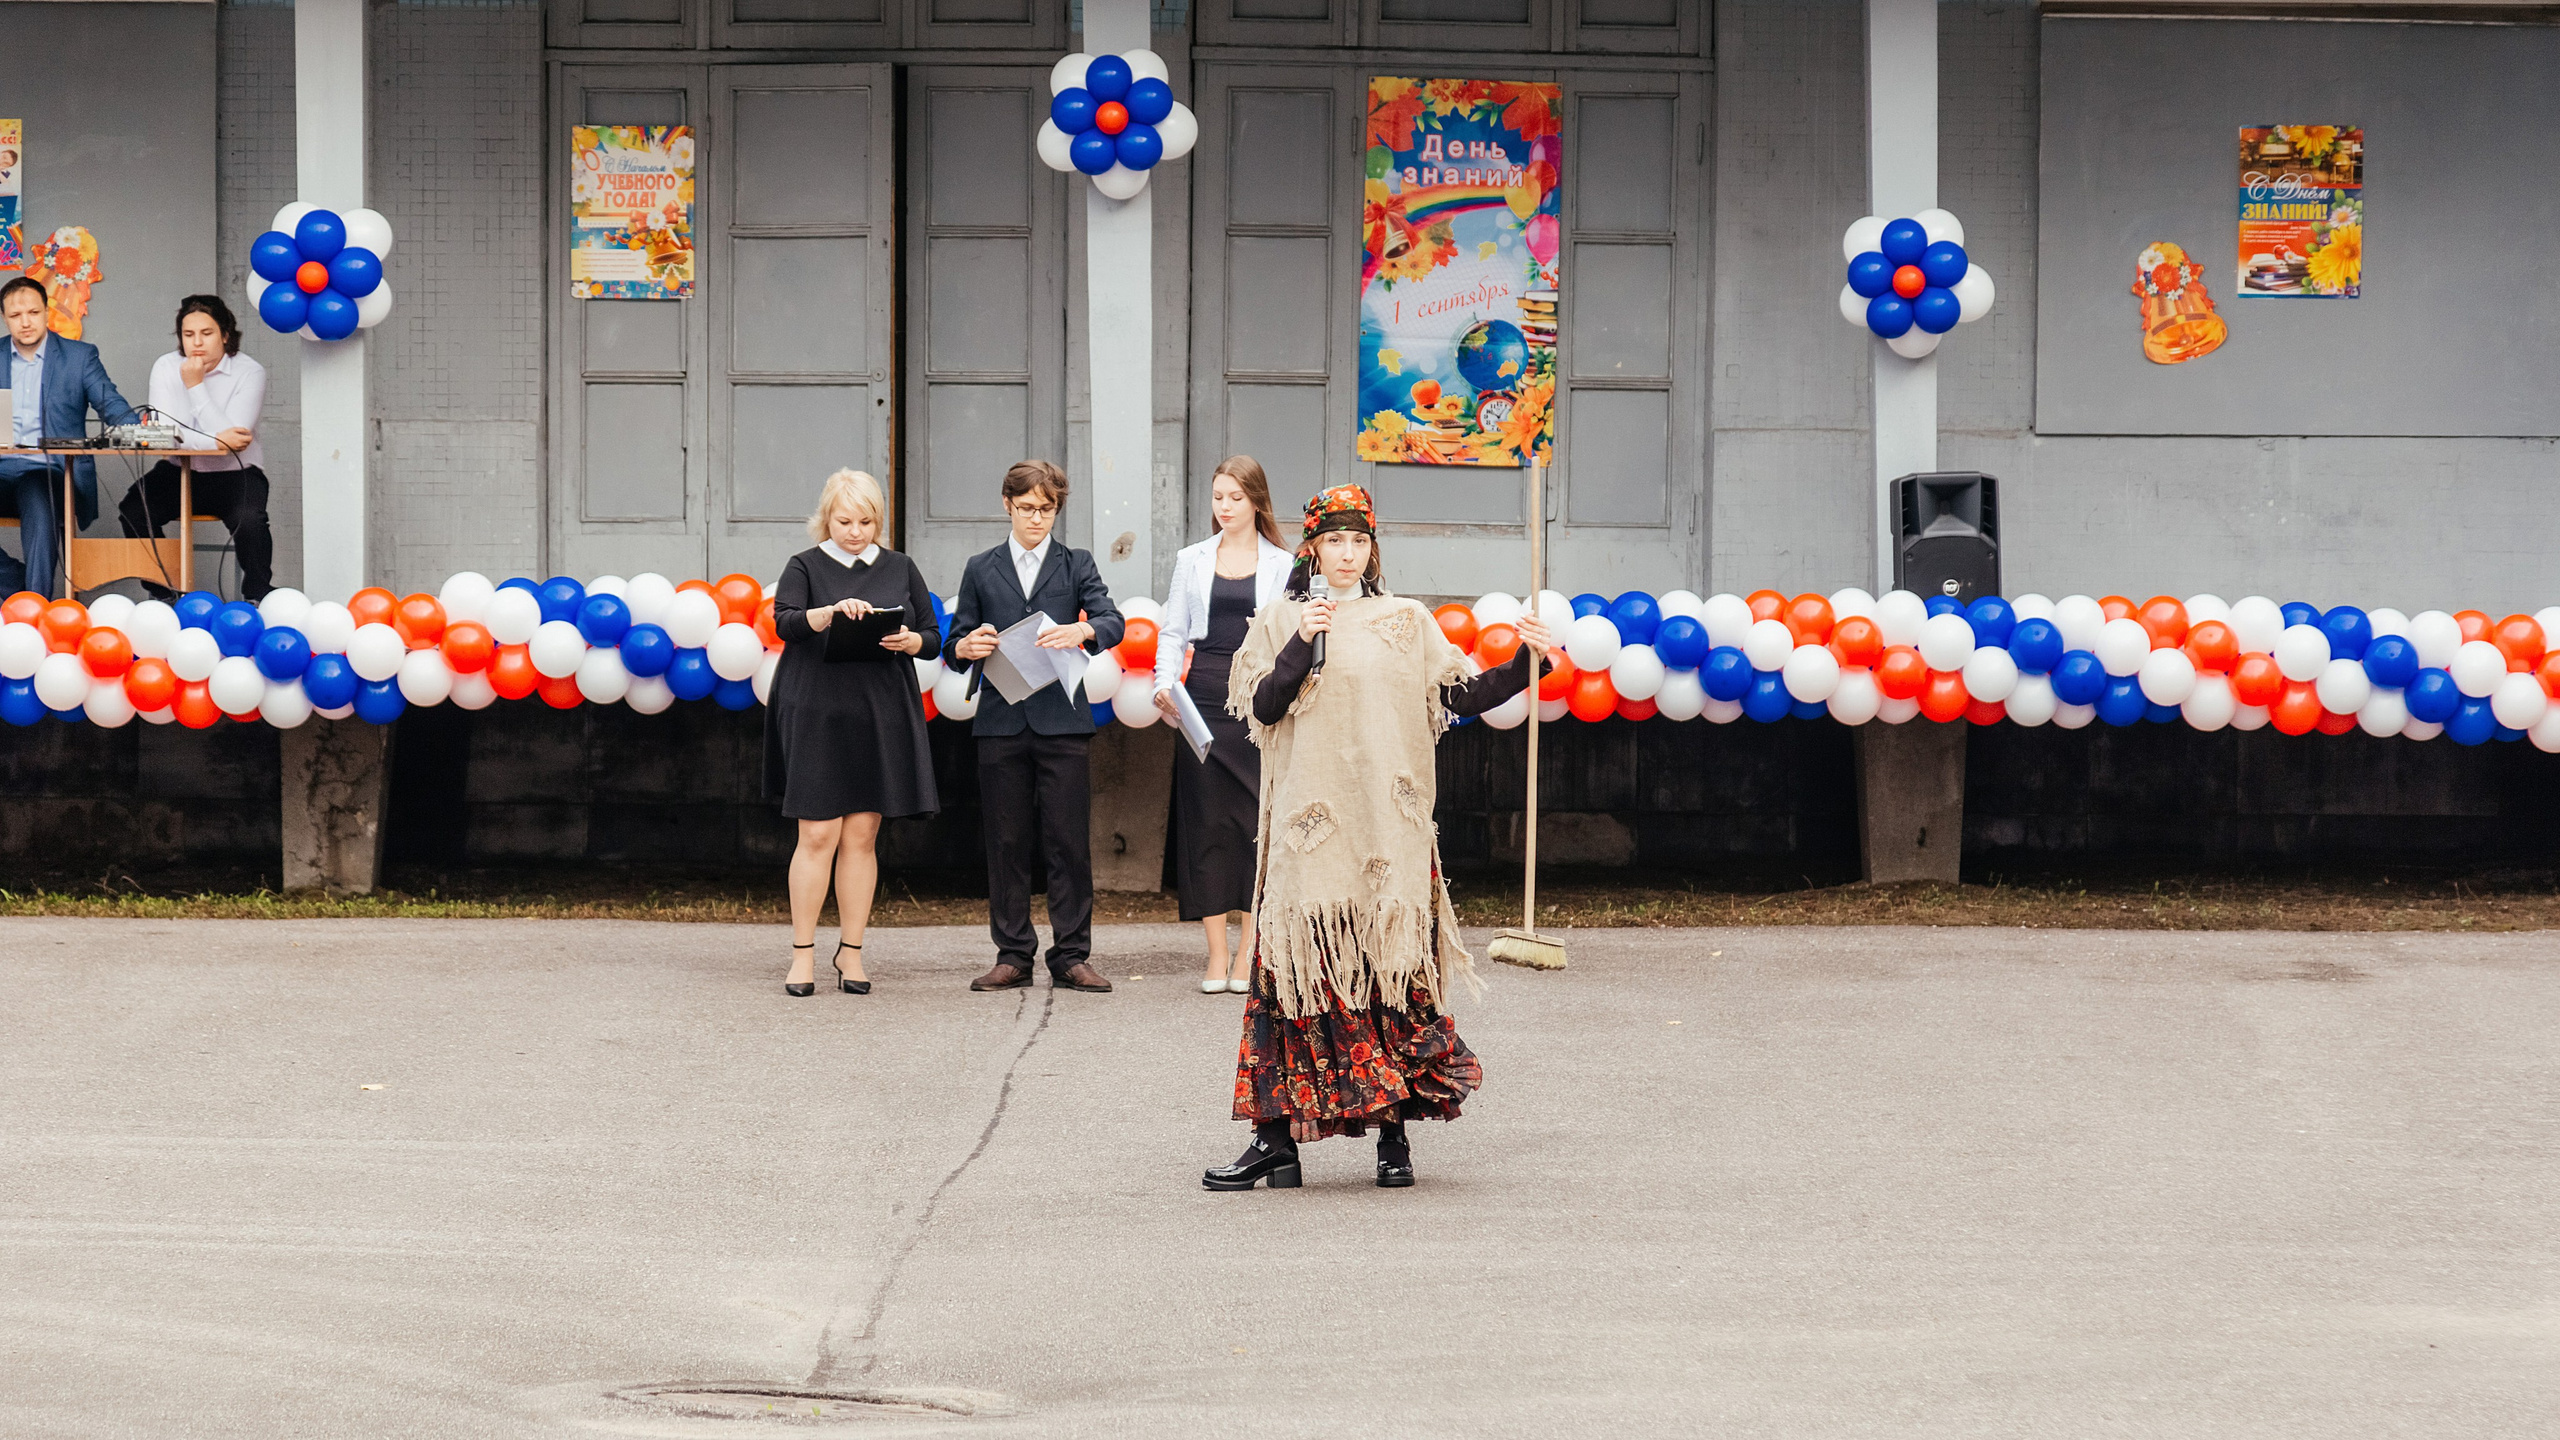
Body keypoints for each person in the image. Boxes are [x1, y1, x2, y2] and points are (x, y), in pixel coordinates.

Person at [1203, 483, 1552, 1192]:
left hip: (1388, 834)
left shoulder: (1406, 619)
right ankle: (1276, 1141)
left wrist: (1527, 665)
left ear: (1371, 548)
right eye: (1334, 540)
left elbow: (1455, 697)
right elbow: (1263, 707)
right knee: (1293, 981)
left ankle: (1393, 1142)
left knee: (1389, 976)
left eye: (1358, 541)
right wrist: (1305, 640)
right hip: (1309, 838)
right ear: (1312, 548)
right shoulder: (1279, 619)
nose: (1347, 553)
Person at [947, 460, 1125, 996]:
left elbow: (1112, 621)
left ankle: (1071, 955)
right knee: (1006, 841)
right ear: (1007, 505)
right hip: (1000, 721)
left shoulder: (1076, 564)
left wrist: (1083, 628)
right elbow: (954, 645)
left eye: (1046, 509)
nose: (1036, 518)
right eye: (1026, 508)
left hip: (1061, 723)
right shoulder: (981, 567)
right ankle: (1012, 954)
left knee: (1068, 842)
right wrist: (966, 646)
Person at [764, 469, 940, 997]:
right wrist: (827, 614)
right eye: (844, 520)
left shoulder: (901, 567)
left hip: (879, 710)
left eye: (866, 521)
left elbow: (933, 637)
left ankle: (852, 952)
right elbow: (785, 622)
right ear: (827, 518)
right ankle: (802, 955)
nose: (856, 531)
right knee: (817, 834)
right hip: (816, 708)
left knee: (862, 835)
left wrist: (911, 641)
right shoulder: (805, 565)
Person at [1151, 456, 1294, 994]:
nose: (1225, 507)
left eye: (1235, 497)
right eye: (1218, 497)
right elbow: (1172, 631)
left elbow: (1293, 637)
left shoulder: (1284, 563)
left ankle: (1248, 956)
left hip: (1259, 696)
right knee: (1205, 822)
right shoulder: (1192, 558)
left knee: (1256, 827)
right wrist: (1164, 684)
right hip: (1204, 692)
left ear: (1256, 500)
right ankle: (1215, 954)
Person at [120, 295, 273, 601]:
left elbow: (235, 442)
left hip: (236, 472)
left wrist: (195, 386)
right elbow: (166, 434)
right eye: (188, 335)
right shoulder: (165, 366)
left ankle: (258, 595)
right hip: (179, 470)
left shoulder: (249, 371)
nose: (197, 343)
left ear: (225, 335)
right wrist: (215, 441)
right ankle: (163, 593)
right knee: (133, 510)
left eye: (207, 333)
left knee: (251, 520)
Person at [1, 274, 137, 597]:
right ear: (5, 319)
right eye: (15, 316)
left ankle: (37, 608)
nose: (25, 323)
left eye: (33, 313)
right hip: (3, 467)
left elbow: (114, 407)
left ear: (47, 312)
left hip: (50, 472)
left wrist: (136, 428)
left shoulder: (79, 357)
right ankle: (18, 584)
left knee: (38, 494)